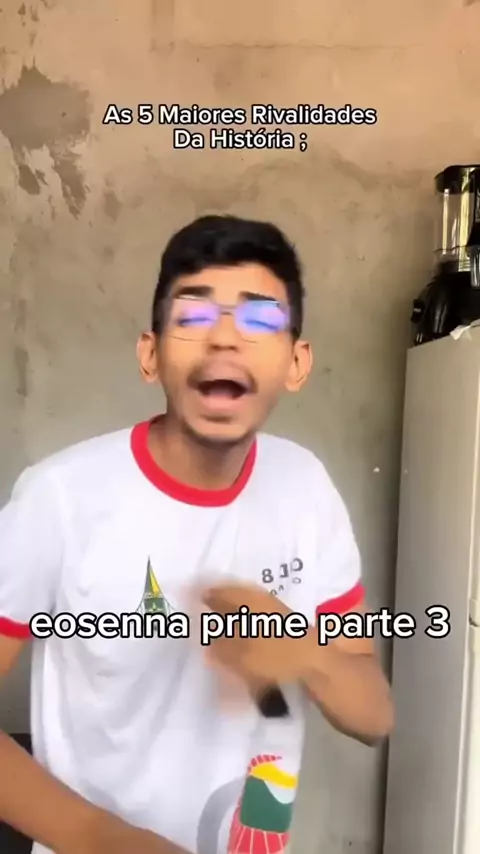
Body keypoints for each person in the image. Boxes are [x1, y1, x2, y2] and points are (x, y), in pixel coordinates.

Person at [0, 215, 393, 854]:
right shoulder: (59, 499)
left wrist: (307, 654)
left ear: (297, 363)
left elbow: (375, 714)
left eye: (260, 319)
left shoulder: (306, 486)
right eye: (194, 316)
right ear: (150, 354)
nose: (226, 338)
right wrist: (104, 839)